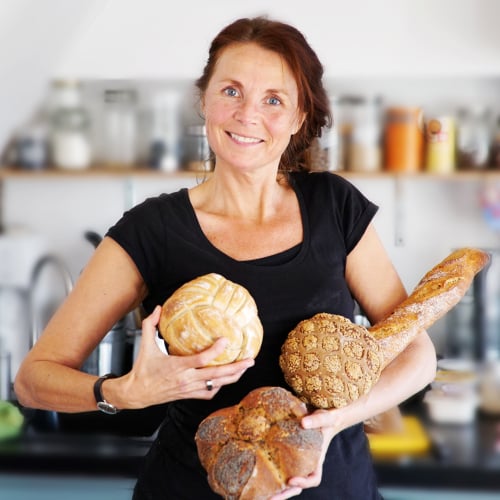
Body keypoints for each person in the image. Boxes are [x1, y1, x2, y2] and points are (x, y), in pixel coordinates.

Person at [14, 16, 436, 499]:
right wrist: (124, 391)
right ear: (205, 101)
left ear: (299, 118)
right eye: (231, 91)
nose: (247, 114)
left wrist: (333, 423)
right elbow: (33, 380)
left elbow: (417, 354)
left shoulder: (335, 207)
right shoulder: (152, 229)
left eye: (273, 100)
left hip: (335, 487)